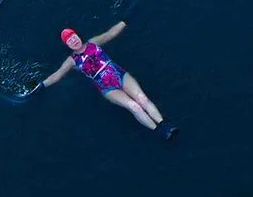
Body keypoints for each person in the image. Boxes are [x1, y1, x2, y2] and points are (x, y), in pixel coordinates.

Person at [38, 22, 176, 138]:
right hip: (107, 87)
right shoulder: (72, 61)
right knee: (134, 106)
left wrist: (125, 21)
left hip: (120, 75)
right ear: (68, 45)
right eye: (70, 41)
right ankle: (159, 131)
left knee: (142, 98)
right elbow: (57, 75)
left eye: (74, 37)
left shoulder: (92, 43)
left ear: (78, 36)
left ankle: (164, 124)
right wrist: (42, 85)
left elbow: (110, 34)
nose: (74, 41)